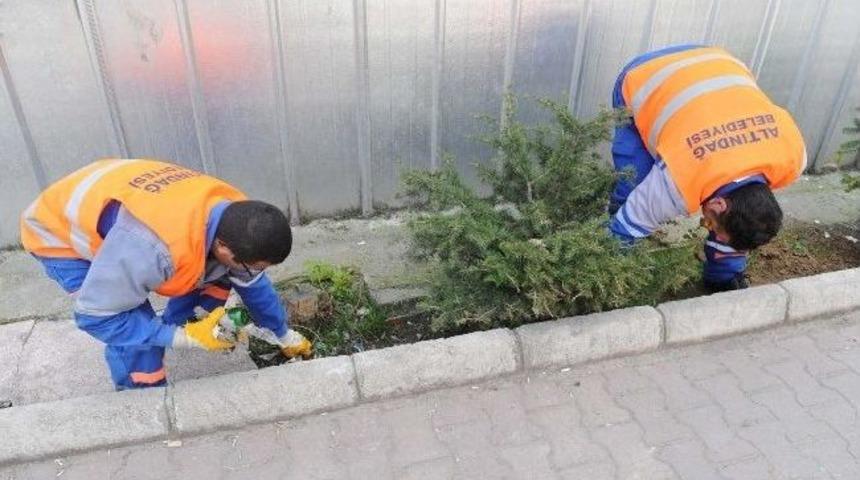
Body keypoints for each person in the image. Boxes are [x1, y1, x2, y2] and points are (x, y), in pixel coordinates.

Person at [20, 159, 312, 390]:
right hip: (58, 231)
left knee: (218, 273)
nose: (255, 273)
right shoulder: (153, 249)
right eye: (255, 266)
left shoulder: (234, 215)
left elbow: (253, 284)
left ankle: (183, 325)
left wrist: (283, 333)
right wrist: (182, 339)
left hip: (113, 191)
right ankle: (140, 394)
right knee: (132, 323)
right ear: (222, 245)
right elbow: (97, 318)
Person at [607, 45, 807, 291]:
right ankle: (616, 234)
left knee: (730, 226)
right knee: (633, 177)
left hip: (720, 61)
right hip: (646, 74)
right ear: (717, 204)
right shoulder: (678, 181)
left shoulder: (793, 156)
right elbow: (626, 227)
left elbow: (736, 224)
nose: (708, 227)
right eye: (712, 227)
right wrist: (606, 276)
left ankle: (722, 280)